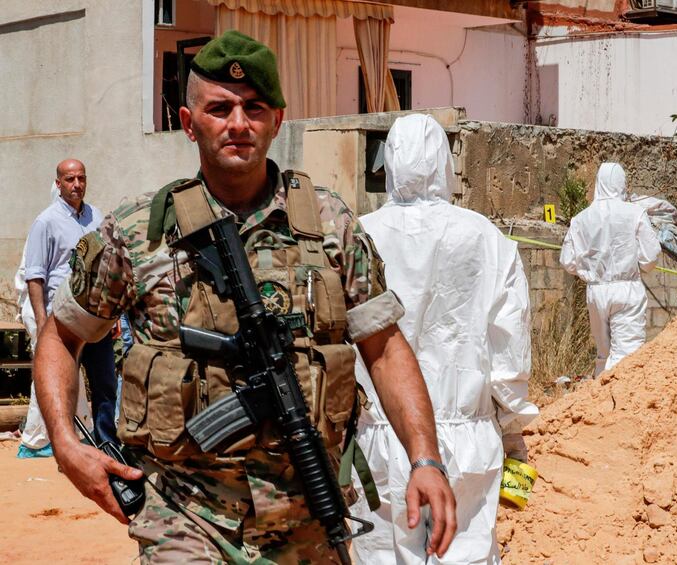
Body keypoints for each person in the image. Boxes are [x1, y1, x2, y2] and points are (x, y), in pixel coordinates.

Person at [33, 31, 456, 563]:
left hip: (308, 509)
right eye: (220, 108)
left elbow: (385, 347)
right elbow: (62, 335)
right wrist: (67, 448)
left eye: (254, 108)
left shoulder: (331, 225)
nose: (239, 123)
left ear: (278, 119)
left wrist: (425, 459)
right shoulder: (138, 232)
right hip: (184, 516)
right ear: (189, 124)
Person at [350, 114, 538, 564]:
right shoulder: (487, 238)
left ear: (389, 163)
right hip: (465, 440)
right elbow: (509, 353)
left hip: (377, 437)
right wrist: (513, 432)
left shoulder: (356, 234)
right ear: (444, 164)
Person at [19, 169, 110, 457]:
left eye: (81, 178)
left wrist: (115, 316)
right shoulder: (45, 222)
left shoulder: (97, 217)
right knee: (65, 385)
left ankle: (107, 444)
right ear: (58, 184)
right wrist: (43, 322)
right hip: (63, 321)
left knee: (105, 382)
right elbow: (35, 276)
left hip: (97, 316)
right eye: (70, 179)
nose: (77, 184)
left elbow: (110, 267)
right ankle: (65, 449)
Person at [559, 162, 661, 376]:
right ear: (622, 183)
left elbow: (567, 261)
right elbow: (650, 256)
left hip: (596, 292)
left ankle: (599, 400)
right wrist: (639, 264)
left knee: (604, 354)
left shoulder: (581, 219)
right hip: (627, 290)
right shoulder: (635, 213)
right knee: (627, 355)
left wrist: (590, 271)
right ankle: (621, 403)